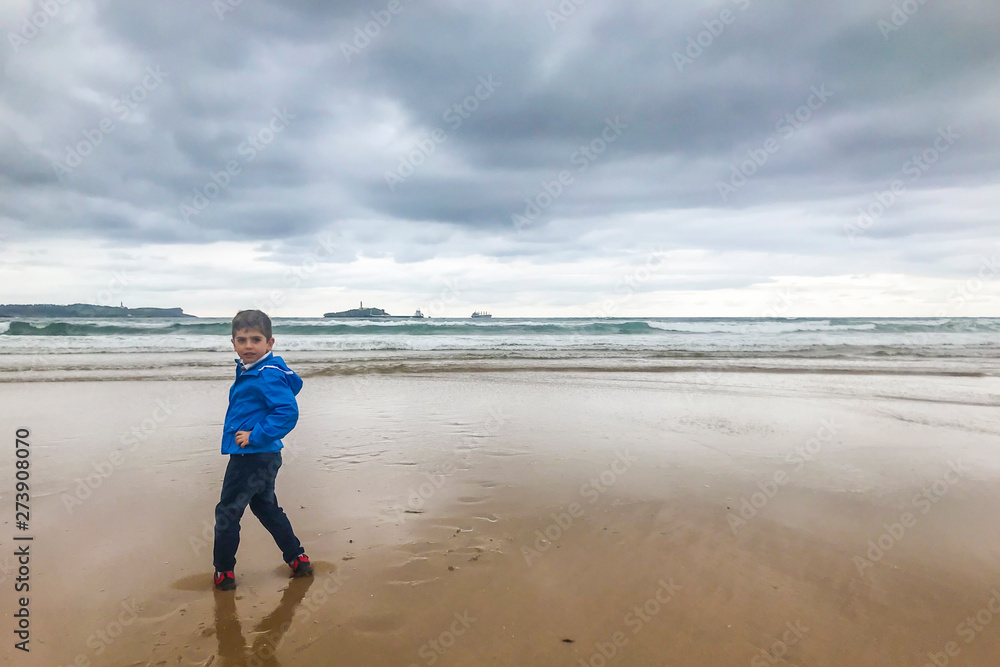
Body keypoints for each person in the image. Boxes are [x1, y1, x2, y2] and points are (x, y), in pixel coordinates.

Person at [212, 309, 312, 591]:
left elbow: (287, 412)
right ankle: (297, 558)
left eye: (256, 339)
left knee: (228, 512)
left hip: (252, 456)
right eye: (241, 340)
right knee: (266, 507)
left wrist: (256, 435)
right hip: (264, 455)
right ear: (233, 343)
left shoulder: (266, 374)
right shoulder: (253, 369)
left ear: (270, 343)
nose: (248, 346)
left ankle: (224, 573)